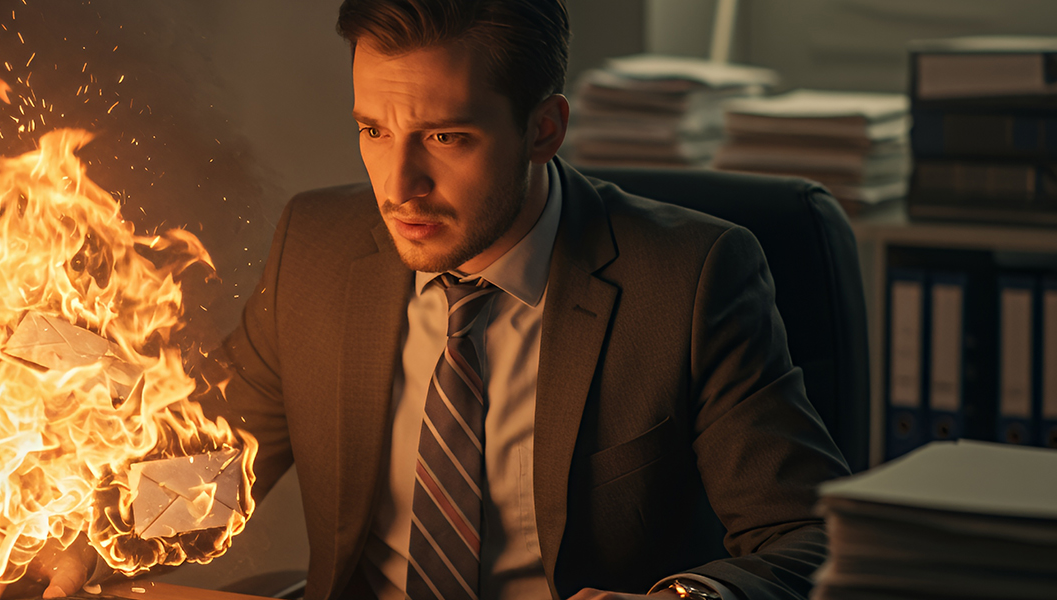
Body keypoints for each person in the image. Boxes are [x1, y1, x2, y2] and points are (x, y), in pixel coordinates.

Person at [196, 0, 851, 599]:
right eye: (373, 130)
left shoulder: (689, 279)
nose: (399, 185)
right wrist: (98, 528)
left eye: (445, 136)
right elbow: (201, 479)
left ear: (544, 129)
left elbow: (814, 541)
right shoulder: (316, 249)